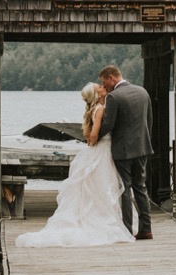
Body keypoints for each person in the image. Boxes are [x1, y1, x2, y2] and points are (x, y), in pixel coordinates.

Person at [14, 82, 135, 247]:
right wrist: (99, 138)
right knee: (103, 186)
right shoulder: (100, 109)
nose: (102, 86)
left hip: (101, 151)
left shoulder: (93, 109)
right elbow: (92, 137)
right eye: (98, 86)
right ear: (96, 93)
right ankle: (102, 219)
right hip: (102, 152)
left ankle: (103, 216)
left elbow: (87, 134)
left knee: (99, 187)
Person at [98, 64, 153, 239]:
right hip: (142, 147)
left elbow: (108, 124)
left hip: (123, 150)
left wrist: (93, 138)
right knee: (141, 187)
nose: (104, 86)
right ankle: (146, 229)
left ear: (111, 78)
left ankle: (127, 230)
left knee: (125, 189)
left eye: (104, 82)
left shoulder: (114, 97)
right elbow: (149, 120)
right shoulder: (143, 92)